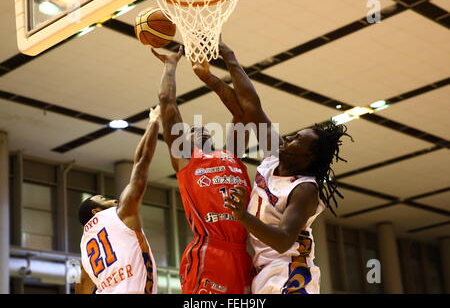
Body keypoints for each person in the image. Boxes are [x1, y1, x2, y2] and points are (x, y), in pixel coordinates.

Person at [194, 39, 352, 294]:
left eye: (298, 140)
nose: (289, 137)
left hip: (292, 273)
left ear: (308, 157)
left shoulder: (304, 190)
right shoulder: (274, 157)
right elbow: (250, 107)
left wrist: (242, 216)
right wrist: (218, 66)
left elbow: (282, 240)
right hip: (266, 270)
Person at [151, 46, 254, 294]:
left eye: (203, 127)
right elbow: (167, 103)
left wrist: (208, 77)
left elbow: (242, 112)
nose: (199, 128)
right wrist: (170, 65)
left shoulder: (232, 155)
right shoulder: (187, 160)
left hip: (244, 253)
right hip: (211, 252)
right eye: (190, 130)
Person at [75, 107, 161, 294]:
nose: (113, 200)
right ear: (95, 211)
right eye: (104, 199)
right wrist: (154, 122)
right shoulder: (120, 215)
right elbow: (141, 163)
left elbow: (81, 286)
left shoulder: (84, 246)